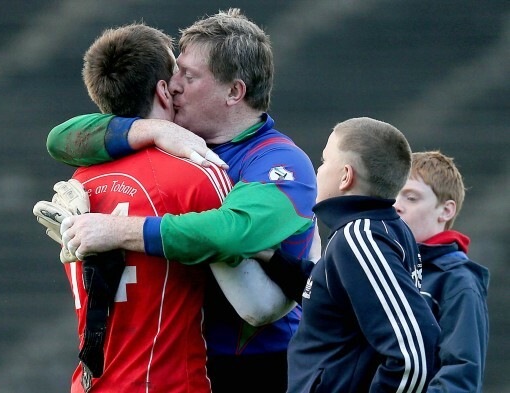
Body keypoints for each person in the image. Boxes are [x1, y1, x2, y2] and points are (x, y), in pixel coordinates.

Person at [49, 9, 318, 392]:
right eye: (175, 73)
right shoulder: (174, 145)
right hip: (187, 361)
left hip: (258, 366)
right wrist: (150, 128)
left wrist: (120, 231)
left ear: (234, 92)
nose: (172, 86)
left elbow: (234, 232)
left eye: (189, 77)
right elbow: (59, 139)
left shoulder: (279, 161)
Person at [284, 117, 441, 392]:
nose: (318, 171)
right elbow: (340, 302)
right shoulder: (380, 228)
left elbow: (415, 356)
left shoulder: (359, 236)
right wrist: (272, 261)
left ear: (346, 176)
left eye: (323, 161)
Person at [394, 150, 489, 393]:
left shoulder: (458, 282)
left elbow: (460, 377)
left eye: (411, 198)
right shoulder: (384, 269)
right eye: (392, 196)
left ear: (446, 211)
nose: (396, 206)